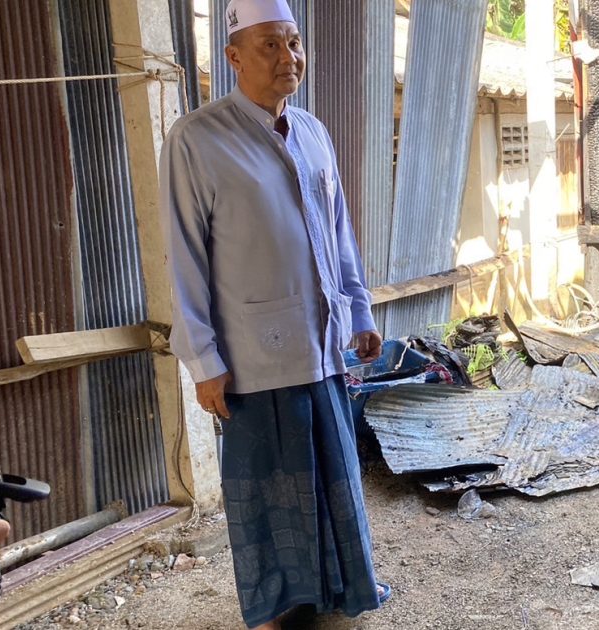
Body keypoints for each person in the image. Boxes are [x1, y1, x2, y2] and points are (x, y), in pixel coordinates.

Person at [160, 1, 387, 627]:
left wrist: (359, 310)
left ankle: (339, 589)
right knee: (266, 491)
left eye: (294, 42)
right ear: (233, 57)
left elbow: (339, 233)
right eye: (270, 45)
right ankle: (273, 608)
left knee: (331, 474)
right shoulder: (197, 139)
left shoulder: (312, 132)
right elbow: (184, 256)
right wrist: (203, 360)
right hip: (251, 354)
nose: (289, 57)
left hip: (321, 344)